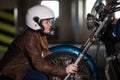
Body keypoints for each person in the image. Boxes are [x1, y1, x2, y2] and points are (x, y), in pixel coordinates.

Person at [0, 4, 78, 80]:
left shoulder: (38, 34)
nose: (50, 25)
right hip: (11, 73)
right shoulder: (29, 38)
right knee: (42, 77)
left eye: (50, 21)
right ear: (35, 22)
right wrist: (64, 70)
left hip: (24, 67)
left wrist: (63, 61)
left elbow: (43, 54)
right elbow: (39, 63)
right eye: (46, 22)